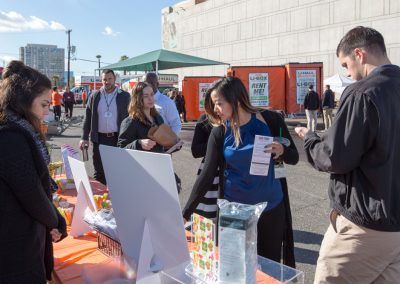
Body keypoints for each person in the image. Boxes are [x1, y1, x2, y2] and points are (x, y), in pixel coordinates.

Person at [295, 26, 400, 283]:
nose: (348, 72)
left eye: (346, 64)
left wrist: (309, 138)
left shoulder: (363, 92)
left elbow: (333, 157)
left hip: (365, 226)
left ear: (359, 54)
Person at [183, 77, 298, 267]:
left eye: (219, 103)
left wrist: (282, 151)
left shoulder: (271, 120)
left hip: (271, 208)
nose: (216, 109)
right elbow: (207, 174)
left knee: (269, 267)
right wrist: (185, 213)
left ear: (235, 100)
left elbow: (293, 157)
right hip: (235, 211)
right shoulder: (219, 131)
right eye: (214, 104)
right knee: (235, 268)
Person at [0, 61, 67, 283]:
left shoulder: (16, 128)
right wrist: (55, 220)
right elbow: (31, 193)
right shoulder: (11, 136)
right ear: (25, 100)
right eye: (44, 105)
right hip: (15, 245)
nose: (47, 112)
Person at [80, 69, 130, 185]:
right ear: (101, 80)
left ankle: (115, 200)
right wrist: (84, 137)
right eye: (104, 79)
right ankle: (100, 201)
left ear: (114, 79)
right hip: (99, 140)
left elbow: (131, 118)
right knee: (99, 173)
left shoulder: (125, 96)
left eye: (109, 79)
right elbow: (87, 117)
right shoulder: (94, 96)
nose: (107, 82)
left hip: (117, 140)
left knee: (116, 172)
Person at [117, 82, 164, 152]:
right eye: (146, 96)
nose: (150, 98)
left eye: (152, 94)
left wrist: (172, 145)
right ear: (138, 98)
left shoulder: (158, 118)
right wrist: (138, 143)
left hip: (158, 161)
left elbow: (162, 145)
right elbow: (121, 148)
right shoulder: (130, 121)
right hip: (139, 162)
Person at [190, 113, 219, 220]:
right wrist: (214, 142)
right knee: (206, 217)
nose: (216, 107)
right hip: (211, 172)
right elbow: (195, 151)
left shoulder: (238, 118)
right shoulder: (205, 119)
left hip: (232, 173)